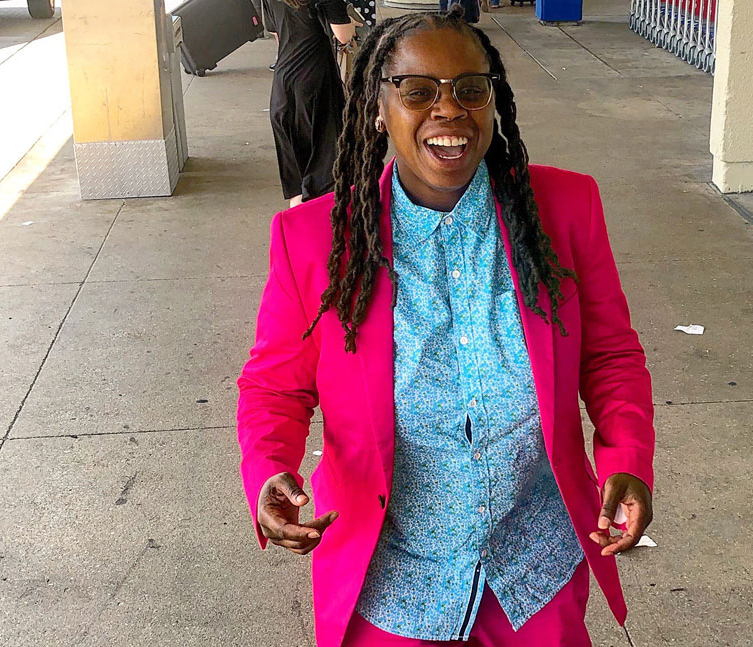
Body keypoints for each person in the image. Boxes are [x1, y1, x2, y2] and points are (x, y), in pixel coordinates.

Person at [237, 8, 655, 647]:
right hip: (394, 585)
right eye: (418, 91)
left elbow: (611, 356)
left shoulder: (566, 211)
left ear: (492, 101)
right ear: (379, 107)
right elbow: (274, 387)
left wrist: (627, 458)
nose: (448, 110)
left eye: (469, 89)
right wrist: (270, 469)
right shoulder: (315, 241)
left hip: (534, 573)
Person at [264, 0, 359, 207]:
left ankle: (298, 233)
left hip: (283, 87)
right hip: (317, 86)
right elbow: (343, 35)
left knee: (297, 184)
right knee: (324, 174)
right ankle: (324, 233)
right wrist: (350, 23)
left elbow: (277, 34)